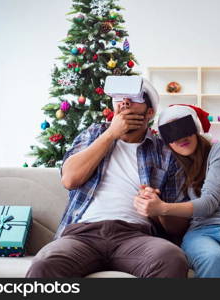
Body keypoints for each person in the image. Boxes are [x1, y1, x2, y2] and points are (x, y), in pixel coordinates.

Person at [26, 78, 189, 278]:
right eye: (119, 98)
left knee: (171, 258)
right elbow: (69, 179)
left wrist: (158, 209)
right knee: (45, 264)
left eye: (134, 98)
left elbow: (177, 227)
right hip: (83, 235)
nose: (125, 103)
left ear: (150, 112)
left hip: (136, 236)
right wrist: (110, 134)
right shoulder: (95, 133)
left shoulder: (164, 152)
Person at [133, 105, 220, 278]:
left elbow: (208, 203)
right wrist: (149, 198)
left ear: (195, 127)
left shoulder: (219, 150)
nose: (181, 137)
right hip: (201, 232)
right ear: (167, 142)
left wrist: (162, 207)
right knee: (213, 259)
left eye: (184, 128)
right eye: (172, 134)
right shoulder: (175, 168)